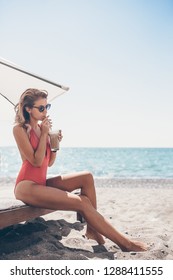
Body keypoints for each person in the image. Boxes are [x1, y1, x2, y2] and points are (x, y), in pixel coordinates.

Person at [13, 88, 147, 252]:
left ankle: (92, 230)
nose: (45, 111)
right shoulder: (19, 129)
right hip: (26, 186)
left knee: (86, 177)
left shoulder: (43, 129)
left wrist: (54, 143)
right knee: (80, 202)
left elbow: (49, 163)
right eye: (41, 108)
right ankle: (126, 244)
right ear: (28, 109)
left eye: (47, 107)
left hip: (41, 183)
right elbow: (35, 161)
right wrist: (44, 135)